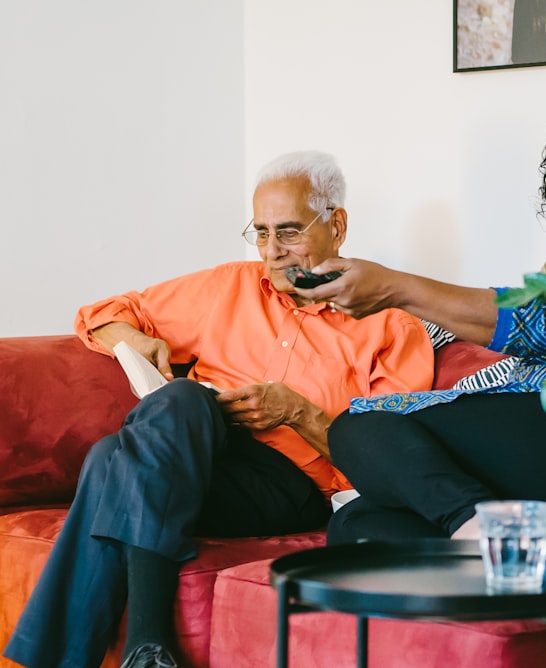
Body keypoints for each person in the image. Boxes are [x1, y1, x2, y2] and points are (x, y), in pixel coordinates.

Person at [2, 151, 435, 668]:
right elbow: (102, 313)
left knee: (111, 460)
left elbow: (388, 465)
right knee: (183, 399)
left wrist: (295, 412)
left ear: (336, 225)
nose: (273, 252)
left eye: (290, 232)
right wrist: (134, 339)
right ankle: (148, 651)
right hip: (198, 451)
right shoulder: (230, 286)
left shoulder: (390, 325)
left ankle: (129, 641)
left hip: (288, 482)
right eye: (262, 233)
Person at [298, 114, 546, 563]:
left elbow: (545, 323)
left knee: (359, 427)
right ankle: (514, 552)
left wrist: (397, 288)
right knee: (357, 525)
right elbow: (537, 343)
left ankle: (483, 531)